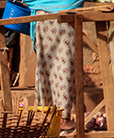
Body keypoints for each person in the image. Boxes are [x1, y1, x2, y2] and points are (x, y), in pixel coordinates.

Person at [23, 0, 84, 131]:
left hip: (42, 19)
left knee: (45, 69)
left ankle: (46, 116)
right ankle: (63, 119)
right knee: (64, 67)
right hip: (64, 19)